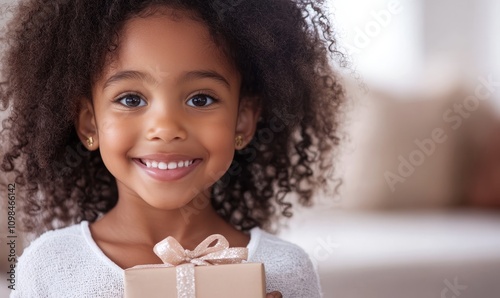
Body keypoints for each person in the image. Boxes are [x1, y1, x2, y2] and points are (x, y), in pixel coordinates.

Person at [0, 0, 344, 297]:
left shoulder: (286, 269)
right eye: (131, 99)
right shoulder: (50, 265)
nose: (165, 128)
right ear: (90, 124)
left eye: (201, 98)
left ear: (243, 122)